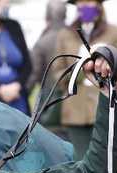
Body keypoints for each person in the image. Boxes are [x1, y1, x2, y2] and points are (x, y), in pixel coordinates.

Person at [53, 0, 117, 173]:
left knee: (105, 167)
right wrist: (78, 70)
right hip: (75, 112)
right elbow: (58, 72)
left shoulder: (115, 33)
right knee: (81, 168)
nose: (86, 5)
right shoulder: (65, 34)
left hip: (104, 107)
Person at [28, 0, 68, 138]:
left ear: (47, 16)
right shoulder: (76, 37)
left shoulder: (42, 42)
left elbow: (33, 74)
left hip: (50, 104)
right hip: (75, 104)